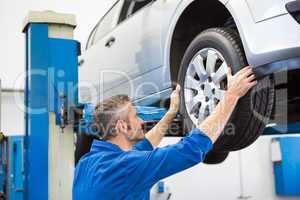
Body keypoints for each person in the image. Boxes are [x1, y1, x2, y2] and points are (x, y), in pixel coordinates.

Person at [73, 66, 257, 200]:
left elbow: (143, 147)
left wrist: (170, 113)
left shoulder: (87, 162)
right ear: (121, 126)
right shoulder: (126, 167)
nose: (142, 121)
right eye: (136, 116)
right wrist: (231, 96)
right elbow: (190, 150)